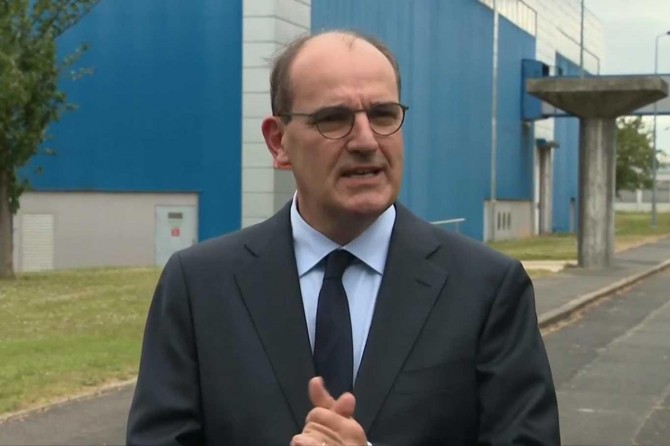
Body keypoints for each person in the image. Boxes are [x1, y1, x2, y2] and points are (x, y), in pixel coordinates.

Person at [127, 29, 560, 445]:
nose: (366, 140)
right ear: (278, 142)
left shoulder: (486, 288)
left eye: (383, 115)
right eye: (333, 119)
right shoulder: (200, 286)